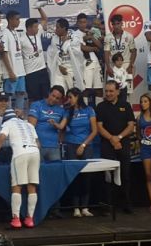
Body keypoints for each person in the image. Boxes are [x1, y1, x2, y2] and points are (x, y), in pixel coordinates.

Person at [0, 109, 40, 229]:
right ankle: (30, 219)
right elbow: (38, 143)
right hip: (35, 152)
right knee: (32, 186)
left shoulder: (7, 123)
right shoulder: (28, 124)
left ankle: (16, 219)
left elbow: (1, 138)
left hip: (20, 153)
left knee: (17, 187)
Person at [96, 80, 135, 213]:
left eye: (111, 91)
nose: (108, 93)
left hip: (123, 144)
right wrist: (112, 139)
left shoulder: (126, 105)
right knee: (107, 176)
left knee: (125, 175)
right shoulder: (100, 107)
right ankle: (107, 205)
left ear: (118, 91)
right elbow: (99, 127)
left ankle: (126, 204)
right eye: (106, 91)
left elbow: (131, 126)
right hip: (107, 145)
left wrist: (118, 138)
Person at [63, 88, 97, 217]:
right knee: (75, 176)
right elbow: (62, 127)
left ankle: (85, 207)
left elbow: (94, 131)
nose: (69, 100)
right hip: (71, 145)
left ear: (77, 97)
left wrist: (83, 144)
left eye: (70, 97)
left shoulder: (89, 110)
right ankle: (76, 208)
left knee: (86, 177)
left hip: (86, 145)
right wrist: (55, 124)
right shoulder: (68, 111)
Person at [28, 85, 67, 161]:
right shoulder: (37, 105)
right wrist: (36, 141)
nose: (54, 99)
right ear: (49, 93)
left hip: (54, 147)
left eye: (57, 98)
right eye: (53, 96)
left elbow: (62, 128)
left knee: (55, 171)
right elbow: (30, 126)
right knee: (39, 171)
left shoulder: (61, 110)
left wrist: (55, 125)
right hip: (38, 146)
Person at [73, 13, 104, 105]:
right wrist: (93, 48)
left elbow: (100, 46)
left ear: (87, 22)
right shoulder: (75, 35)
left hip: (96, 62)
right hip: (85, 63)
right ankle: (84, 110)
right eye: (81, 22)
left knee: (99, 89)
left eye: (85, 22)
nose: (83, 24)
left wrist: (91, 37)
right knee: (86, 89)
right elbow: (81, 47)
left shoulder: (91, 31)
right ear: (77, 23)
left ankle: (99, 111)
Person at [21, 7, 49, 105]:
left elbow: (45, 19)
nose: (38, 28)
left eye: (37, 26)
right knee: (33, 98)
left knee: (46, 96)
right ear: (29, 28)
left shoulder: (38, 33)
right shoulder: (21, 40)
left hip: (42, 70)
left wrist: (40, 8)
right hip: (30, 73)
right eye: (35, 27)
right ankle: (33, 117)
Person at [48, 18, 84, 92]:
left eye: (57, 27)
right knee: (58, 91)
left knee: (74, 93)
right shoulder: (54, 39)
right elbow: (53, 55)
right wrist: (60, 65)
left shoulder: (74, 37)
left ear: (64, 28)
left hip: (72, 69)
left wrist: (65, 43)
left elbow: (76, 52)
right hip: (58, 69)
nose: (56, 29)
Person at [1, 10, 26, 110]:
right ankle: (8, 116)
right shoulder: (4, 33)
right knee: (9, 95)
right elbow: (4, 53)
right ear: (10, 20)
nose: (19, 21)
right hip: (11, 72)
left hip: (20, 71)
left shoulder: (15, 32)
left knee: (21, 93)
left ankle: (19, 116)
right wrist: (10, 72)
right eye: (17, 19)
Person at [104, 14, 136, 79]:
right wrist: (108, 67)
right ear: (112, 25)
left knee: (127, 88)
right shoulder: (108, 37)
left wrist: (130, 66)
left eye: (118, 24)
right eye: (114, 24)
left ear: (122, 23)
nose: (116, 26)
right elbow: (106, 53)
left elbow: (134, 51)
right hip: (113, 65)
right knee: (113, 87)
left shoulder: (129, 36)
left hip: (126, 64)